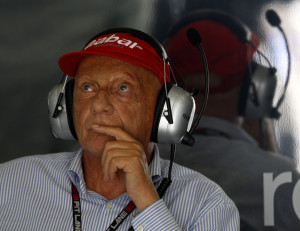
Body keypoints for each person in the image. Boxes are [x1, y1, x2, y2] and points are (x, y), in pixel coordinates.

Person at [0, 28, 239, 230]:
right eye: (87, 87)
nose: (98, 105)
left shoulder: (208, 204)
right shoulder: (8, 183)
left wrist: (147, 201)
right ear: (65, 104)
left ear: (164, 112)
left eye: (123, 88)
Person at [158, 9, 300, 230]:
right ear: (254, 92)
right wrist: (265, 138)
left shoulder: (136, 168)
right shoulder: (280, 179)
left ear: (168, 91)